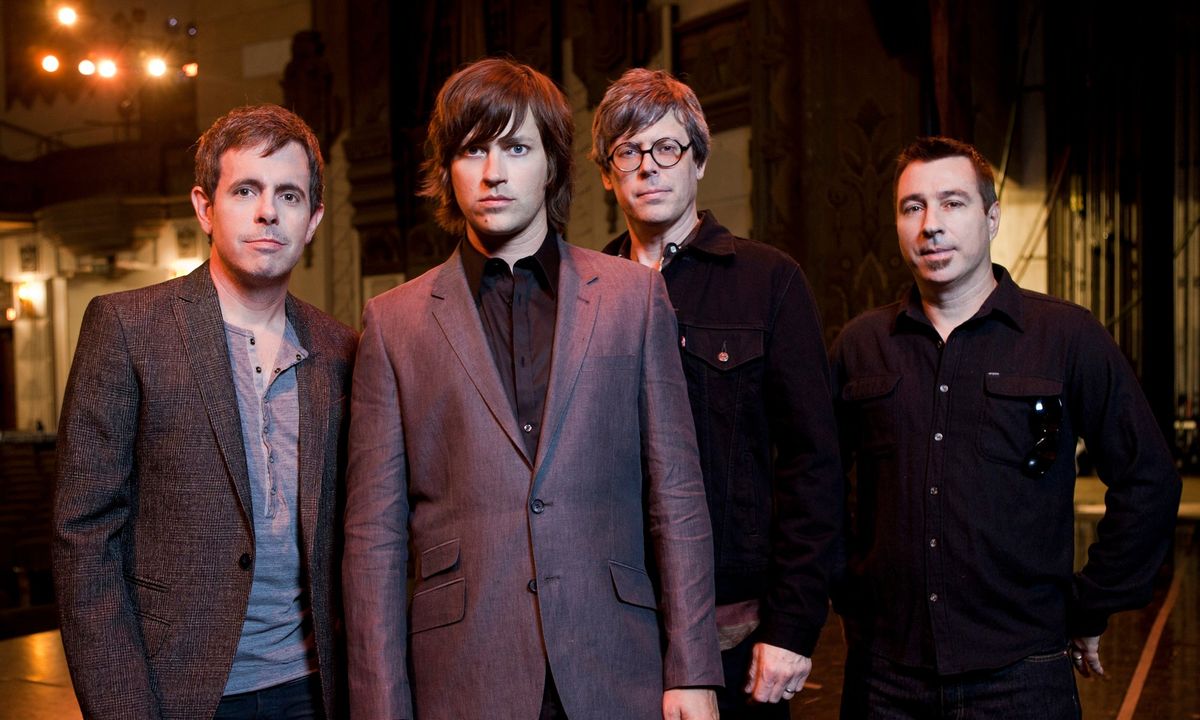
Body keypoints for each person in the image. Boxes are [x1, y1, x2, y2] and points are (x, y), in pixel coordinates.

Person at [342, 58, 722, 720]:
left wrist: (693, 670)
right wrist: (380, 707)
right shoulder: (393, 322)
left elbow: (678, 496)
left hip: (614, 663)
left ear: (551, 165)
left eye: (517, 148)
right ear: (447, 170)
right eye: (472, 150)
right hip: (465, 672)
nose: (494, 172)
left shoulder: (634, 299)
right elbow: (374, 537)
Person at [829, 136, 1182, 718]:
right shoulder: (860, 347)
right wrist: (846, 591)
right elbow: (814, 485)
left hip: (1024, 675)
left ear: (991, 218)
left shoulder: (1065, 337)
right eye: (913, 207)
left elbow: (1149, 480)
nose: (931, 225)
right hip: (887, 678)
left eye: (953, 203)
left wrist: (1090, 603)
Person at [52, 104, 357, 719]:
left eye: (290, 195)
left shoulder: (341, 348)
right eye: (245, 190)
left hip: (316, 686)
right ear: (204, 207)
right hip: (181, 690)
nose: (268, 211)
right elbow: (83, 538)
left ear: (314, 219)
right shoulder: (128, 328)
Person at [591, 68, 842, 718]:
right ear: (608, 174)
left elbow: (814, 466)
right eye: (628, 151)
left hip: (738, 631)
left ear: (698, 161)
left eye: (667, 147)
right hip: (613, 630)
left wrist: (793, 626)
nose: (649, 165)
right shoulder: (581, 296)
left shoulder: (768, 282)